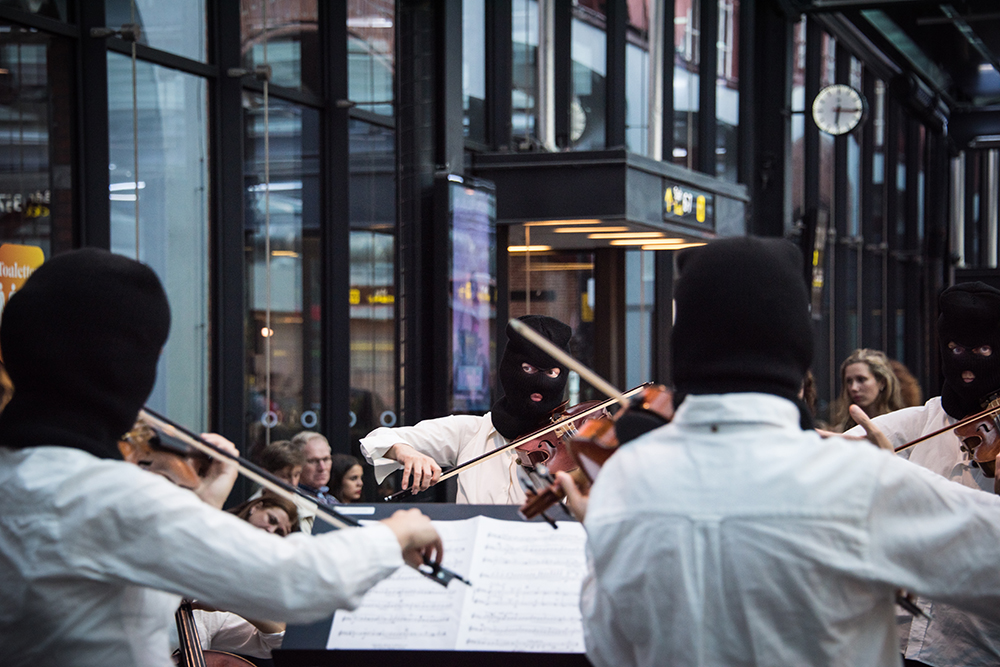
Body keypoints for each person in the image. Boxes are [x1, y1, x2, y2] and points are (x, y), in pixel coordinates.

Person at [559, 237, 1000, 667]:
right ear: (797, 349)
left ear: (683, 343)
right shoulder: (857, 481)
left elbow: (609, 649)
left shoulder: (625, 478)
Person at [0, 248, 444, 667]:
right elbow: (292, 581)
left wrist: (208, 497)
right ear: (125, 368)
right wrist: (395, 531)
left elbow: (145, 557)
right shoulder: (113, 497)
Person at [845, 281, 1000, 666]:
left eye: (983, 351)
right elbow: (844, 449)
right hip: (893, 645)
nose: (968, 366)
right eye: (956, 350)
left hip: (974, 651)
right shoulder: (920, 422)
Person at [359, 314, 573, 504]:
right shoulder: (470, 432)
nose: (540, 382)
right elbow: (375, 441)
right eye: (528, 369)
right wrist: (405, 452)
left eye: (552, 373)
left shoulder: (573, 444)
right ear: (509, 369)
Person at [832, 348, 904, 432]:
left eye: (861, 379)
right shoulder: (841, 432)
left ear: (882, 382)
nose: (853, 388)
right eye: (849, 381)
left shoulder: (900, 425)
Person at [292, 430, 339, 505]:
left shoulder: (331, 500)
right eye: (313, 461)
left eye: (326, 459)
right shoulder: (291, 500)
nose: (322, 468)